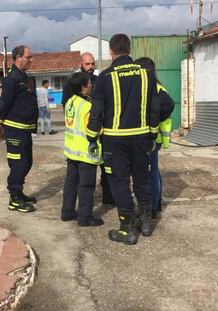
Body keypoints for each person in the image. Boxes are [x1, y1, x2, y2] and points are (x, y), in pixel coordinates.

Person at [86, 34, 161, 245]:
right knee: (142, 179)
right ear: (129, 49)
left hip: (114, 141)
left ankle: (127, 228)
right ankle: (146, 224)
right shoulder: (146, 74)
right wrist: (152, 133)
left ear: (111, 51)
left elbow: (96, 111)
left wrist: (92, 137)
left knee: (119, 183)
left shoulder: (105, 77)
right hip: (141, 137)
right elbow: (154, 108)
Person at [62, 52, 115, 206]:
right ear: (81, 64)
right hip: (85, 137)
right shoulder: (72, 84)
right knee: (84, 179)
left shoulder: (99, 81)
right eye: (87, 64)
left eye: (93, 64)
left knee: (106, 167)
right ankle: (83, 212)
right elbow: (67, 108)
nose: (91, 67)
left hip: (99, 131)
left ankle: (108, 196)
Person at [0, 45, 38, 213]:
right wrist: (0, 120)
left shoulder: (23, 77)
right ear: (18, 57)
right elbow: (4, 102)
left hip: (25, 129)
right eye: (29, 57)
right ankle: (14, 199)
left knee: (27, 162)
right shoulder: (12, 78)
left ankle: (19, 193)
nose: (31, 60)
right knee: (19, 163)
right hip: (15, 130)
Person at [61, 72, 104, 227]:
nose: (91, 85)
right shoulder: (87, 106)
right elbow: (91, 129)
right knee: (86, 185)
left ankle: (67, 212)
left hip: (72, 151)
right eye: (89, 83)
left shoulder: (70, 102)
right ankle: (85, 217)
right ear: (83, 87)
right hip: (85, 152)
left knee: (71, 182)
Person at [134, 57, 175, 220]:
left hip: (151, 139)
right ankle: (156, 204)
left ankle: (150, 208)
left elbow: (169, 105)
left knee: (149, 174)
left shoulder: (154, 89)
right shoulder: (154, 87)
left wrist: (154, 121)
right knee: (154, 171)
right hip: (153, 138)